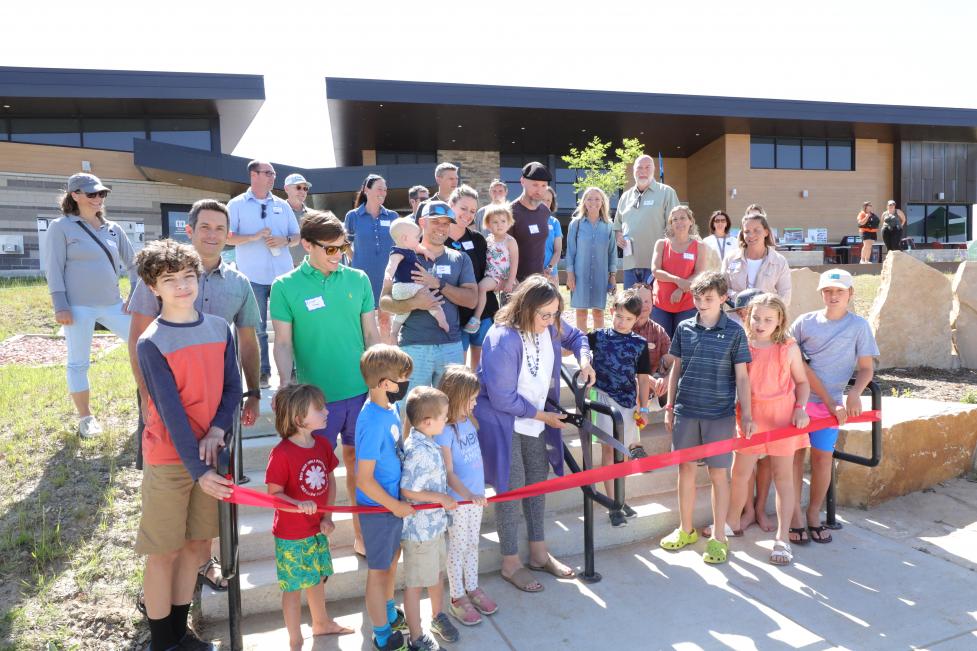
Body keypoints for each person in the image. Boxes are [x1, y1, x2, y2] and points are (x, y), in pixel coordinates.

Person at [127, 199, 261, 593]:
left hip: (215, 416)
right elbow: (138, 338)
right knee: (166, 522)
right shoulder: (156, 273)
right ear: (190, 229)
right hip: (167, 410)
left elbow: (248, 342)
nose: (213, 235)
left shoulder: (238, 283)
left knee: (206, 516)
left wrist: (250, 394)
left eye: (221, 228)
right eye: (205, 227)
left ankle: (203, 563)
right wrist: (148, 400)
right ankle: (158, 593)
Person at [133, 239, 240, 651]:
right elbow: (170, 412)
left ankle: (181, 634)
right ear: (153, 287)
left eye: (188, 277)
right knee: (164, 552)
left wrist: (217, 430)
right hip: (171, 459)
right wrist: (200, 471)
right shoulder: (151, 342)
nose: (182, 287)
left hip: (210, 454)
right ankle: (162, 642)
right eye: (170, 280)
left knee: (196, 547)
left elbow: (232, 387)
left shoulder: (219, 328)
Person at [473, 276, 596, 592]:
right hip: (504, 422)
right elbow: (503, 399)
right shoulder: (502, 339)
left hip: (537, 419)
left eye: (555, 314)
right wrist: (545, 416)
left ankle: (539, 553)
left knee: (536, 482)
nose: (552, 321)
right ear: (526, 308)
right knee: (511, 489)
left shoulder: (550, 324)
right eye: (545, 315)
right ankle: (510, 561)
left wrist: (584, 361)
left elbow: (578, 337)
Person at [270, 210, 381, 558]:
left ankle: (361, 535)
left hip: (361, 393)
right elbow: (284, 342)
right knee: (317, 470)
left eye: (343, 247)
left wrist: (380, 382)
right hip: (315, 402)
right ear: (306, 245)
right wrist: (285, 384)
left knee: (358, 464)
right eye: (330, 249)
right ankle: (320, 534)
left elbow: (371, 333)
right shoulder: (285, 286)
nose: (339, 255)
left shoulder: (358, 279)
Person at [660, 271, 751, 565]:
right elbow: (676, 368)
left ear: (724, 298)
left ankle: (719, 537)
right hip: (686, 410)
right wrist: (670, 404)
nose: (701, 304)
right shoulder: (684, 327)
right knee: (685, 471)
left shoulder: (736, 332)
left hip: (720, 414)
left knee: (718, 475)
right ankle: (685, 529)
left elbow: (742, 377)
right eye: (697, 298)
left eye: (708, 299)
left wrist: (746, 413)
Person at [789, 269, 878, 544]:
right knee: (793, 459)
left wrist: (855, 393)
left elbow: (866, 368)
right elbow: (796, 363)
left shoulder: (859, 326)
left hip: (831, 408)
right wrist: (828, 399)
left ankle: (814, 513)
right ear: (821, 294)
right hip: (798, 402)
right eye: (828, 291)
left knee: (822, 459)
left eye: (840, 291)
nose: (833, 295)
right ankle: (793, 516)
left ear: (850, 293)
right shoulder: (804, 323)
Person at [45, 173, 135, 437]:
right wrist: (60, 305)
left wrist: (135, 295)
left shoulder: (113, 229)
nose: (98, 198)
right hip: (77, 308)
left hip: (114, 305)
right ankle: (86, 418)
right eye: (92, 194)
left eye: (101, 194)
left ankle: (153, 406)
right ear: (75, 195)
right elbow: (53, 268)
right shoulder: (60, 227)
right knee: (78, 363)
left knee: (146, 346)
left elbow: (135, 265)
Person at [725, 293, 810, 566]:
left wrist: (801, 408)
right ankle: (729, 523)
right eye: (756, 318)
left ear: (780, 320)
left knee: (783, 478)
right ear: (748, 317)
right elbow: (740, 382)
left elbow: (802, 382)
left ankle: (782, 537)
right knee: (739, 474)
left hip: (783, 418)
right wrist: (744, 414)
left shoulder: (788, 347)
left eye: (768, 319)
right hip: (750, 418)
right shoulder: (742, 344)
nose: (761, 324)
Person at [266, 384, 353, 649]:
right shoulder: (281, 454)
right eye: (319, 409)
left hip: (317, 529)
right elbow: (274, 494)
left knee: (317, 579)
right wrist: (297, 503)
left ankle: (321, 622)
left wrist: (326, 516)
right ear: (298, 419)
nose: (326, 411)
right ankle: (295, 638)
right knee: (293, 589)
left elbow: (330, 481)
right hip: (292, 536)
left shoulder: (323, 445)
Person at [379, 201, 477, 406]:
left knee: (452, 409)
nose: (442, 228)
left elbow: (471, 300)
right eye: (436, 222)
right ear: (422, 222)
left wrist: (438, 284)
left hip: (451, 345)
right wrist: (415, 302)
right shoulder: (404, 254)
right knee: (409, 411)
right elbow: (385, 302)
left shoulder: (460, 258)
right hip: (414, 347)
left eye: (446, 223)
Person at [355, 344, 415, 651]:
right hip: (379, 510)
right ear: (384, 384)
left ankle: (390, 613)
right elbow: (364, 479)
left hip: (393, 506)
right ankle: (381, 634)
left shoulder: (389, 409)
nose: (406, 384)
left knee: (392, 562)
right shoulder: (372, 421)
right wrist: (394, 506)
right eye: (402, 378)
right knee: (378, 573)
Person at [227, 160, 301, 389]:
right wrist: (252, 237)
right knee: (257, 327)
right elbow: (228, 237)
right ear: (253, 175)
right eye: (268, 173)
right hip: (252, 277)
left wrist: (284, 240)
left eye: (274, 173)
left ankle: (293, 373)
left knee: (290, 325)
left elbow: (297, 236)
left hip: (283, 276)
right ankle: (263, 373)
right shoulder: (236, 204)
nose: (272, 177)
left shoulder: (282, 205)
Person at [587, 289, 655, 527]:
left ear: (637, 320)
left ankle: (620, 497)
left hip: (628, 403)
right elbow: (579, 349)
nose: (622, 322)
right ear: (611, 312)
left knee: (624, 454)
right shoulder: (597, 336)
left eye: (628, 319)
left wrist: (644, 408)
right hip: (604, 400)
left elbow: (644, 378)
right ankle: (613, 505)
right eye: (619, 316)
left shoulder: (639, 344)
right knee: (609, 451)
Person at [434, 365, 495, 626]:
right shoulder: (444, 431)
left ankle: (473, 587)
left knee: (472, 543)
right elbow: (448, 473)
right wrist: (468, 494)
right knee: (458, 547)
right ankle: (457, 597)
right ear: (456, 397)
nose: (474, 404)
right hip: (459, 501)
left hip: (475, 498)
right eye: (470, 400)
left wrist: (476, 493)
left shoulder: (468, 421)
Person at [400, 387, 460, 649]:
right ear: (427, 422)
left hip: (434, 527)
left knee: (436, 574)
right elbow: (408, 490)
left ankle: (438, 616)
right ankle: (415, 637)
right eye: (444, 416)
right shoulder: (418, 450)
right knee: (415, 585)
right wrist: (441, 498)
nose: (446, 420)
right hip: (419, 534)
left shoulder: (428, 442)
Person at [445, 186, 496, 371]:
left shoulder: (478, 240)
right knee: (457, 371)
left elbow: (488, 272)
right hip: (453, 315)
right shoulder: (438, 239)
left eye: (473, 211)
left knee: (480, 371)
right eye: (463, 208)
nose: (468, 215)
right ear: (451, 205)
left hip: (482, 313)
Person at [345, 174, 399, 342]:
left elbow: (400, 245)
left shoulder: (392, 217)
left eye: (385, 189)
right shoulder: (352, 216)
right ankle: (365, 357)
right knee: (363, 320)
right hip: (361, 276)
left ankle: (386, 356)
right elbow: (345, 243)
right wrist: (355, 260)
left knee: (385, 320)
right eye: (379, 189)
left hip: (386, 276)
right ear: (366, 190)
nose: (383, 192)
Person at [613, 154, 680, 289]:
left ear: (654, 170)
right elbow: (618, 226)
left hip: (657, 265)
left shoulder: (666, 192)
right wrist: (618, 236)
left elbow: (676, 227)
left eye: (647, 167)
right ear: (633, 171)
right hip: (630, 265)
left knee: (653, 308)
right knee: (630, 307)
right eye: (639, 168)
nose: (643, 171)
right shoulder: (625, 197)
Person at [386, 217, 450, 337]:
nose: (418, 240)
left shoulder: (407, 247)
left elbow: (418, 247)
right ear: (405, 238)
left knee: (403, 313)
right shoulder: (397, 253)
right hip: (409, 286)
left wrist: (426, 252)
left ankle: (394, 332)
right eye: (416, 237)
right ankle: (443, 322)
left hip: (399, 290)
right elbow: (391, 265)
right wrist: (388, 275)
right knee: (433, 302)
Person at [566, 186, 617, 332]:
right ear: (584, 202)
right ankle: (582, 348)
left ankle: (598, 348)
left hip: (600, 276)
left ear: (602, 202)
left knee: (598, 314)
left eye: (596, 199)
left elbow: (612, 252)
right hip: (579, 276)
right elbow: (570, 251)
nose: (593, 202)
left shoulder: (609, 226)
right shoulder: (575, 224)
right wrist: (570, 275)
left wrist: (612, 276)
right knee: (581, 313)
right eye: (589, 199)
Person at [651, 205, 706, 337]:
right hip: (661, 303)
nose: (679, 222)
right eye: (674, 219)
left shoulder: (699, 246)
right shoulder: (661, 244)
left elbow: (699, 273)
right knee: (661, 343)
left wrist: (681, 289)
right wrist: (678, 281)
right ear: (671, 223)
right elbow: (655, 271)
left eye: (682, 218)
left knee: (684, 344)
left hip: (687, 303)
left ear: (690, 221)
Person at [722, 206, 791, 306]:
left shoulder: (779, 261)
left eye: (756, 230)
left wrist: (766, 308)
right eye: (747, 231)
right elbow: (722, 288)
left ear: (766, 232)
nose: (751, 235)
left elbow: (785, 296)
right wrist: (740, 299)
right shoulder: (730, 258)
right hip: (735, 318)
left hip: (765, 318)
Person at [465, 204, 518, 334]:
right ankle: (477, 318)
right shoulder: (487, 240)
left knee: (517, 297)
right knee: (481, 287)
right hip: (493, 275)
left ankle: (515, 321)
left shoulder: (510, 241)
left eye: (503, 221)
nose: (499, 225)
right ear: (488, 225)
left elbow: (515, 261)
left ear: (509, 222)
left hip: (507, 275)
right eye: (495, 222)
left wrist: (511, 281)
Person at [508, 162, 553, 281]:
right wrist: (513, 282)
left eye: (544, 186)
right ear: (522, 181)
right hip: (515, 283)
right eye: (535, 185)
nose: (539, 190)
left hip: (538, 281)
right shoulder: (509, 213)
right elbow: (502, 252)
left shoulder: (545, 211)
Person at [284, 173, 311, 266]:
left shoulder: (313, 215)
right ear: (286, 189)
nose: (303, 191)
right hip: (285, 268)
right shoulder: (276, 212)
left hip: (309, 268)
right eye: (298, 187)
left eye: (305, 188)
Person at [542, 187, 563, 285]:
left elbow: (557, 251)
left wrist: (549, 268)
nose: (545, 203)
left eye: (548, 200)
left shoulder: (555, 223)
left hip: (550, 273)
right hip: (532, 274)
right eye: (542, 199)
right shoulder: (528, 220)